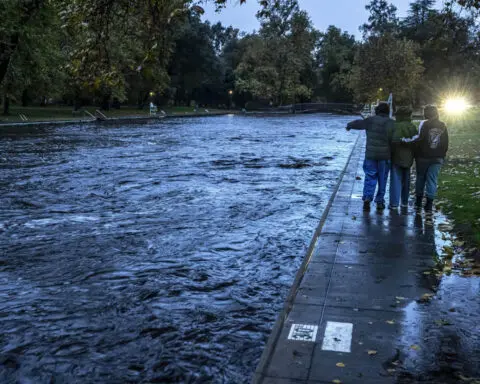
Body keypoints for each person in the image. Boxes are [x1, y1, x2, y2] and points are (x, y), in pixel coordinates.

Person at [346, 102, 394, 211]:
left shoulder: (370, 120)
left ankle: (367, 197)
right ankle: (380, 201)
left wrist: (349, 125)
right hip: (385, 156)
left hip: (371, 155)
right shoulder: (391, 123)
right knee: (383, 179)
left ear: (377, 110)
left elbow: (358, 123)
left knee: (370, 176)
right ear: (387, 111)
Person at [402, 105, 449, 212]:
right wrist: (442, 155)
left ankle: (418, 201)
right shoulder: (442, 125)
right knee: (432, 179)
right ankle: (429, 203)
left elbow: (420, 139)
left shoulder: (425, 124)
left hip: (423, 157)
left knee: (421, 178)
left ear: (426, 113)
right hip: (437, 157)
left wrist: (408, 144)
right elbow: (445, 142)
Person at [389, 106, 418, 209]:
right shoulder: (412, 126)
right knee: (406, 180)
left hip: (396, 156)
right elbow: (416, 141)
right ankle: (404, 202)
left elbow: (394, 141)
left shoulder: (396, 126)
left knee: (395, 180)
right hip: (409, 156)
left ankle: (394, 203)